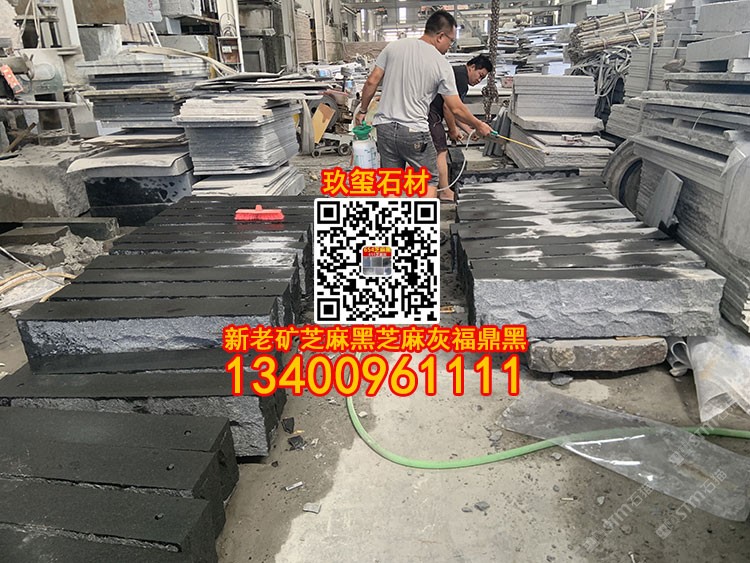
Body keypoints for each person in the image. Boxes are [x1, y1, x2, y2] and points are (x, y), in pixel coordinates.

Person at [354, 10, 493, 199]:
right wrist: (478, 125)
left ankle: (393, 218)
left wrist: (362, 110)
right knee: (428, 182)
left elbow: (372, 81)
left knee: (392, 181)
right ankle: (424, 218)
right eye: (450, 41)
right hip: (414, 131)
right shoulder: (441, 64)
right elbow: (455, 107)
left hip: (384, 128)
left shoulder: (394, 47)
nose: (450, 46)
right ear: (440, 36)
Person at [428, 55, 493, 201]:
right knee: (441, 152)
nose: (479, 80)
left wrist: (469, 130)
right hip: (430, 114)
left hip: (433, 114)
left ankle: (436, 189)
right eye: (480, 75)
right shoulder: (460, 79)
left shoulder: (458, 74)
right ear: (472, 67)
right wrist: (452, 130)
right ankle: (445, 192)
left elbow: (455, 112)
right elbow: (449, 108)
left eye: (482, 78)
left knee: (436, 152)